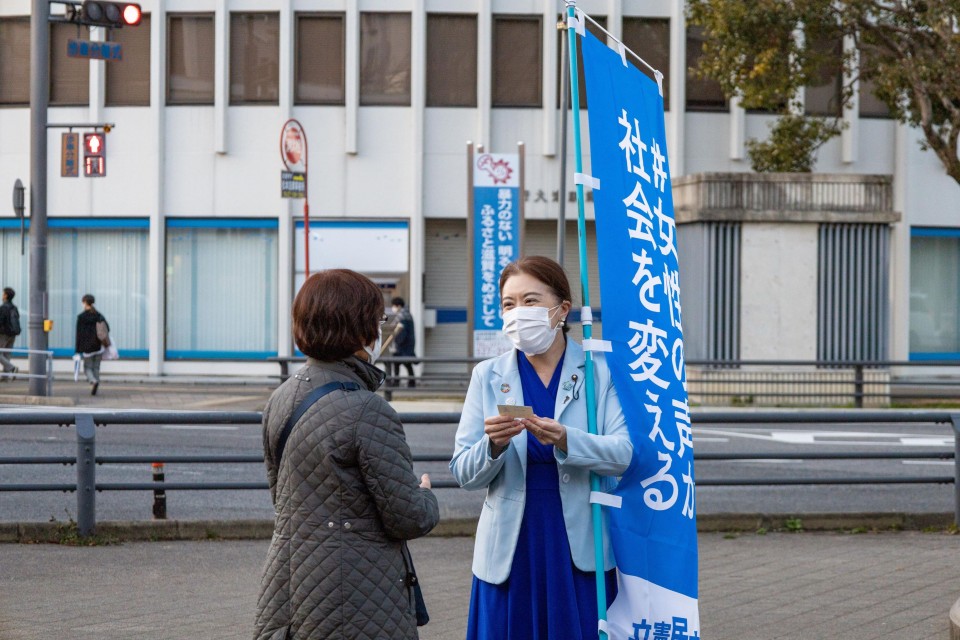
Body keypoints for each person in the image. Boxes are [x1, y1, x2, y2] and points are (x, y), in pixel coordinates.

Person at [450, 256, 633, 640]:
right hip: (509, 546)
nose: (518, 314)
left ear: (561, 309)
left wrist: (567, 439)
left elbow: (623, 455)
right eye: (508, 304)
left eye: (530, 301)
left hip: (580, 545)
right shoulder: (487, 375)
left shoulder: (599, 372)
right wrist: (493, 446)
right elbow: (463, 472)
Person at [255, 269, 440, 640]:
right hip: (358, 593)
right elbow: (407, 518)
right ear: (358, 328)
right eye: (376, 319)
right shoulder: (367, 410)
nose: (379, 328)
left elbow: (282, 496)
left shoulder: (281, 398)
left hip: (288, 587)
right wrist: (425, 495)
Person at [75, 294, 109, 396]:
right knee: (96, 368)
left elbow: (79, 335)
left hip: (87, 348)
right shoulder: (99, 315)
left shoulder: (81, 317)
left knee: (87, 368)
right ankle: (96, 382)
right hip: (99, 346)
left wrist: (77, 350)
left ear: (85, 303)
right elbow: (107, 328)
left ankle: (93, 381)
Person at [389, 296, 417, 388]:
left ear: (399, 306)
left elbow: (402, 332)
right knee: (403, 363)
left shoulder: (403, 317)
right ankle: (410, 382)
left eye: (394, 306)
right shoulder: (407, 315)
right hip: (407, 345)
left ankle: (402, 382)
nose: (393, 308)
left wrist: (398, 341)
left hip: (403, 345)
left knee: (404, 363)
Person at [0, 288, 20, 380]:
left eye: (3, 294)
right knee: (7, 354)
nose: (2, 295)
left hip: (4, 334)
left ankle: (12, 368)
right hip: (13, 334)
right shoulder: (14, 307)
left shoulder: (3, 307)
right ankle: (5, 377)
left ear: (6, 296)